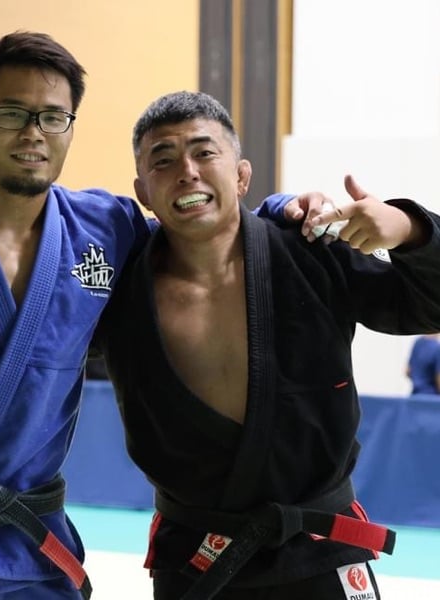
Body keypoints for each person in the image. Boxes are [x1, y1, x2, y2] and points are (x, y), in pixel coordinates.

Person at [0, 31, 324, 600]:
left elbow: (203, 231)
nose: (33, 133)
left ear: (70, 127)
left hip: (35, 550)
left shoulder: (106, 229)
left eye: (53, 117)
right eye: (12, 113)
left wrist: (283, 211)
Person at [89, 91, 440, 599]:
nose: (187, 171)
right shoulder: (118, 288)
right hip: (197, 555)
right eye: (163, 160)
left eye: (204, 152)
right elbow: (32, 342)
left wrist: (410, 229)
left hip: (319, 547)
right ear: (143, 190)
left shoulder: (310, 253)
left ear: (241, 176)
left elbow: (427, 307)